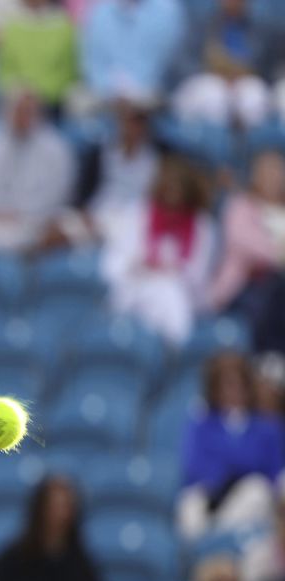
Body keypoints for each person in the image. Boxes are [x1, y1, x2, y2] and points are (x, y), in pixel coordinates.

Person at [100, 155, 216, 346]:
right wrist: (141, 266)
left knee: (169, 293)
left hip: (181, 297)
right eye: (169, 188)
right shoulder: (137, 213)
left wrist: (168, 271)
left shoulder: (203, 227)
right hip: (136, 290)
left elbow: (198, 277)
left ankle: (172, 351)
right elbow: (113, 264)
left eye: (179, 189)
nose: (173, 195)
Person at [177, 351, 285, 541]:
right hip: (213, 495)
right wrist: (235, 469)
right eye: (226, 386)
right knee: (190, 504)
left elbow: (273, 474)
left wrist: (235, 471)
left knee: (256, 491)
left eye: (239, 385)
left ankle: (216, 542)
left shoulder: (267, 428)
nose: (233, 392)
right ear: (214, 389)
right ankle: (203, 549)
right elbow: (195, 468)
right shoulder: (201, 425)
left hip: (249, 500)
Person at [0, 89, 77, 253]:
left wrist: (22, 215)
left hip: (33, 222)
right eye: (18, 111)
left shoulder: (56, 149)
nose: (22, 118)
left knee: (58, 229)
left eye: (28, 112)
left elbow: (58, 194)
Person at [43, 95, 164, 248]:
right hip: (97, 215)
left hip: (133, 221)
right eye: (127, 121)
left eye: (138, 122)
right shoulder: (101, 153)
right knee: (55, 228)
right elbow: (84, 193)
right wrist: (84, 213)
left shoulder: (157, 159)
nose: (132, 127)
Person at [208, 150, 285, 352]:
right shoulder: (240, 205)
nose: (274, 178)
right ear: (256, 176)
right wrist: (278, 252)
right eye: (268, 172)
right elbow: (245, 242)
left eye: (278, 172)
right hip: (244, 287)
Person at [170, 0, 285, 129]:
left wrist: (240, 78)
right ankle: (209, 144)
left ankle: (253, 145)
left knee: (253, 95)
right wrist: (220, 77)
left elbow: (269, 69)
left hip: (242, 81)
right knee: (214, 95)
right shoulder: (201, 21)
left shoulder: (260, 28)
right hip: (204, 80)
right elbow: (184, 63)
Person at [75, 0, 186, 114]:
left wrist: (136, 91)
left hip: (155, 92)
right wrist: (114, 89)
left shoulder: (168, 10)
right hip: (106, 94)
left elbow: (169, 60)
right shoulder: (99, 11)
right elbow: (92, 62)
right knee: (78, 103)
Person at [0, 0, 79, 114]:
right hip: (16, 105)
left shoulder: (65, 27)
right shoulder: (8, 27)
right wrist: (21, 92)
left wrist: (42, 96)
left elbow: (70, 72)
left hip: (54, 106)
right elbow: (1, 71)